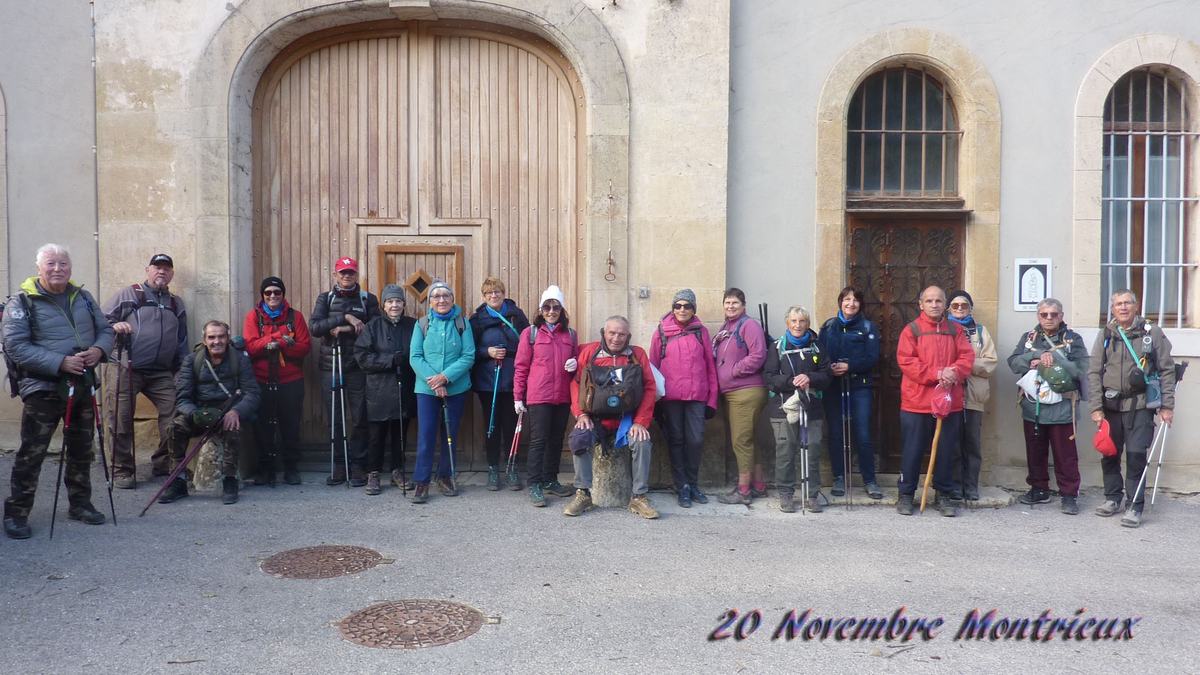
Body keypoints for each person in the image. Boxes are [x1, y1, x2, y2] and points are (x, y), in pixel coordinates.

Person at [2, 244, 114, 539]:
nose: (57, 269)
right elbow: (15, 346)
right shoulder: (22, 303)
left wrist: (98, 350)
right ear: (39, 268)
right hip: (43, 387)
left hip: (83, 384)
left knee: (81, 448)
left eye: (63, 263)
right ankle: (16, 513)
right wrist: (60, 362)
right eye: (51, 263)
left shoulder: (84, 298)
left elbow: (106, 329)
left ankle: (80, 504)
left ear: (70, 268)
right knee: (32, 453)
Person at [1086, 289, 1176, 528]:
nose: (1123, 307)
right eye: (1118, 304)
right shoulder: (1106, 333)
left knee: (1136, 456)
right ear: (1112, 308)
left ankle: (1134, 505)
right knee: (1109, 454)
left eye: (1127, 303)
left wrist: (1167, 405)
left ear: (1136, 306)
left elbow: (1167, 370)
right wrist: (1096, 407)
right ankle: (1112, 498)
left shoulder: (1152, 332)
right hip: (1110, 404)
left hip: (1141, 405)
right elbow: (1094, 372)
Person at [102, 253, 188, 489]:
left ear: (172, 274)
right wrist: (114, 326)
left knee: (177, 415)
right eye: (157, 267)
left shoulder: (175, 303)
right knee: (120, 417)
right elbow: (99, 322)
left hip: (161, 372)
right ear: (147, 270)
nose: (161, 272)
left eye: (166, 269)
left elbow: (182, 341)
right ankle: (122, 470)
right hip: (125, 367)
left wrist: (182, 371)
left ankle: (164, 464)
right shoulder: (129, 294)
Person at [564, 315, 659, 519]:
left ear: (628, 336)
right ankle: (583, 493)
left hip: (626, 420)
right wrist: (580, 415)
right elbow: (576, 383)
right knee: (579, 437)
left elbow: (650, 388)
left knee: (642, 442)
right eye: (612, 333)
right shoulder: (589, 353)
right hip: (596, 419)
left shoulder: (637, 354)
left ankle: (639, 497)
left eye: (622, 334)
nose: (616, 338)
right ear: (604, 333)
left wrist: (641, 422)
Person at [158, 321, 260, 506]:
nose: (217, 341)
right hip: (199, 414)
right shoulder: (191, 361)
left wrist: (236, 411)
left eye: (221, 336)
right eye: (211, 337)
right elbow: (182, 398)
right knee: (174, 428)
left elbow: (252, 393)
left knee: (233, 428)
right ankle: (178, 480)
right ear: (204, 340)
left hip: (227, 413)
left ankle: (230, 480)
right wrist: (195, 414)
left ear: (228, 338)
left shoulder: (241, 360)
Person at [894, 285, 974, 517]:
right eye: (929, 301)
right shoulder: (912, 330)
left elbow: (967, 357)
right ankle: (906, 494)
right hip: (916, 403)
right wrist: (937, 373)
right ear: (921, 304)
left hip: (949, 403)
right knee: (912, 450)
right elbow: (906, 361)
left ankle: (944, 495)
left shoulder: (956, 330)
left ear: (945, 304)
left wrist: (954, 372)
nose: (934, 304)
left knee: (946, 451)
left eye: (938, 300)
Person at [1007, 298, 1087, 515]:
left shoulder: (1073, 339)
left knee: (1065, 454)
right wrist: (1034, 358)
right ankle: (1038, 488)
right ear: (1038, 316)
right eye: (1044, 314)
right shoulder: (1028, 338)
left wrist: (1054, 360)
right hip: (1033, 407)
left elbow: (1083, 368)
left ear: (1061, 316)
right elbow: (1013, 362)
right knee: (1035, 451)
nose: (1049, 318)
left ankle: (1069, 495)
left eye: (1054, 314)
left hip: (1062, 407)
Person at [310, 257, 380, 486]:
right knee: (335, 418)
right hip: (331, 366)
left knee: (360, 417)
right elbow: (315, 328)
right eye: (343, 273)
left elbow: (376, 327)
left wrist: (346, 328)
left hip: (358, 367)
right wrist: (345, 317)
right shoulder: (325, 298)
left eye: (350, 272)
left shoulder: (367, 299)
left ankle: (359, 465)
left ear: (356, 274)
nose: (347, 276)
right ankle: (339, 464)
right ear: (335, 275)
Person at [649, 289, 718, 508]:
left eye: (687, 306)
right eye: (677, 306)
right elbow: (652, 367)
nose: (682, 310)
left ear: (693, 309)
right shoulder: (661, 331)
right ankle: (682, 486)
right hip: (671, 398)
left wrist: (712, 399)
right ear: (672, 308)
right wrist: (654, 401)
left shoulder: (701, 332)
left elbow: (710, 366)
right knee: (676, 441)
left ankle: (693, 482)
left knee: (696, 440)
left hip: (697, 395)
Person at [408, 281, 475, 503]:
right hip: (427, 390)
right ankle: (421, 481)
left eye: (445, 296)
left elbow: (468, 355)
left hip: (456, 388)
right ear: (430, 302)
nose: (441, 300)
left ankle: (444, 476)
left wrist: (446, 377)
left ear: (452, 299)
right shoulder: (422, 324)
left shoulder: (462, 323)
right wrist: (435, 382)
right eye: (436, 296)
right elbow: (415, 357)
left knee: (449, 435)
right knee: (426, 435)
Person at [513, 285, 578, 507]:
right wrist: (517, 397)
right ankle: (535, 484)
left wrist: (575, 364)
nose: (551, 311)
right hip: (538, 396)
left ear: (562, 310)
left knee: (556, 440)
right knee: (538, 441)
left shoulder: (570, 334)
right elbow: (521, 367)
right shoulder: (530, 333)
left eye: (556, 307)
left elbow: (577, 362)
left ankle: (551, 479)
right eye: (547, 307)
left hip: (562, 395)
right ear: (541, 310)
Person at [243, 276, 311, 486]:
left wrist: (277, 345)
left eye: (277, 292)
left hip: (290, 381)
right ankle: (265, 469)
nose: (273, 296)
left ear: (283, 294)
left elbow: (304, 347)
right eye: (268, 293)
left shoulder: (295, 317)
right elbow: (250, 347)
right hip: (261, 380)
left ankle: (291, 468)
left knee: (290, 426)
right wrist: (280, 338)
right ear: (262, 295)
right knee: (263, 427)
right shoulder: (253, 317)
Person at [763, 306, 832, 513]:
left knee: (812, 449)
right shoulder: (776, 347)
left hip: (812, 406)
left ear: (807, 324)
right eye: (793, 321)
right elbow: (769, 376)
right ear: (787, 323)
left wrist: (810, 377)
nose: (797, 325)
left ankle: (811, 494)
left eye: (802, 321)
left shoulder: (817, 346)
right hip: (783, 407)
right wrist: (791, 381)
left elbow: (827, 374)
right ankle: (785, 493)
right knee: (785, 451)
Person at [817, 286, 883, 500]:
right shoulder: (828, 327)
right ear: (840, 302)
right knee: (836, 433)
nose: (851, 303)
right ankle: (838, 477)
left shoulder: (867, 327)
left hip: (859, 386)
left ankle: (869, 480)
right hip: (834, 387)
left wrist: (850, 366)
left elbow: (873, 358)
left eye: (855, 300)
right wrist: (830, 368)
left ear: (860, 304)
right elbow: (819, 355)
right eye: (847, 299)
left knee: (863, 433)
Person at [468, 277, 530, 491]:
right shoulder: (476, 320)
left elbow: (528, 341)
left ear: (503, 293)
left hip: (513, 378)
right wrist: (488, 352)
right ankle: (493, 469)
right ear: (484, 296)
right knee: (492, 425)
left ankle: (512, 468)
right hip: (488, 381)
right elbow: (469, 350)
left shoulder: (516, 315)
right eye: (489, 293)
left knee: (512, 425)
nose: (493, 296)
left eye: (497, 292)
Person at [355, 284, 417, 495]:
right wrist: (389, 360)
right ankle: (373, 473)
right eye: (390, 301)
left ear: (403, 304)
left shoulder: (413, 325)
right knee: (376, 435)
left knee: (400, 431)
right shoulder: (372, 326)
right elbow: (362, 357)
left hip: (404, 387)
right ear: (383, 305)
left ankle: (397, 470)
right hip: (378, 390)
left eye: (398, 301)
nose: (394, 305)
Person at [714, 288, 769, 505]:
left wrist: (733, 371)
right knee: (748, 439)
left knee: (741, 441)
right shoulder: (727, 328)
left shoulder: (749, 325)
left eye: (735, 303)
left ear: (743, 305)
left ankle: (744, 490)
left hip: (745, 391)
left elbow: (758, 355)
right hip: (734, 392)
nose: (730, 306)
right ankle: (759, 485)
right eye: (727, 303)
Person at [946, 290, 998, 501]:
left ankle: (971, 485)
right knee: (953, 444)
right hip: (950, 394)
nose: (960, 309)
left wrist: (965, 366)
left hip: (974, 395)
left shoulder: (980, 332)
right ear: (949, 308)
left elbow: (990, 362)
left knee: (972, 443)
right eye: (955, 306)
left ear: (970, 308)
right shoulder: (944, 329)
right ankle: (956, 485)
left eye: (964, 305)